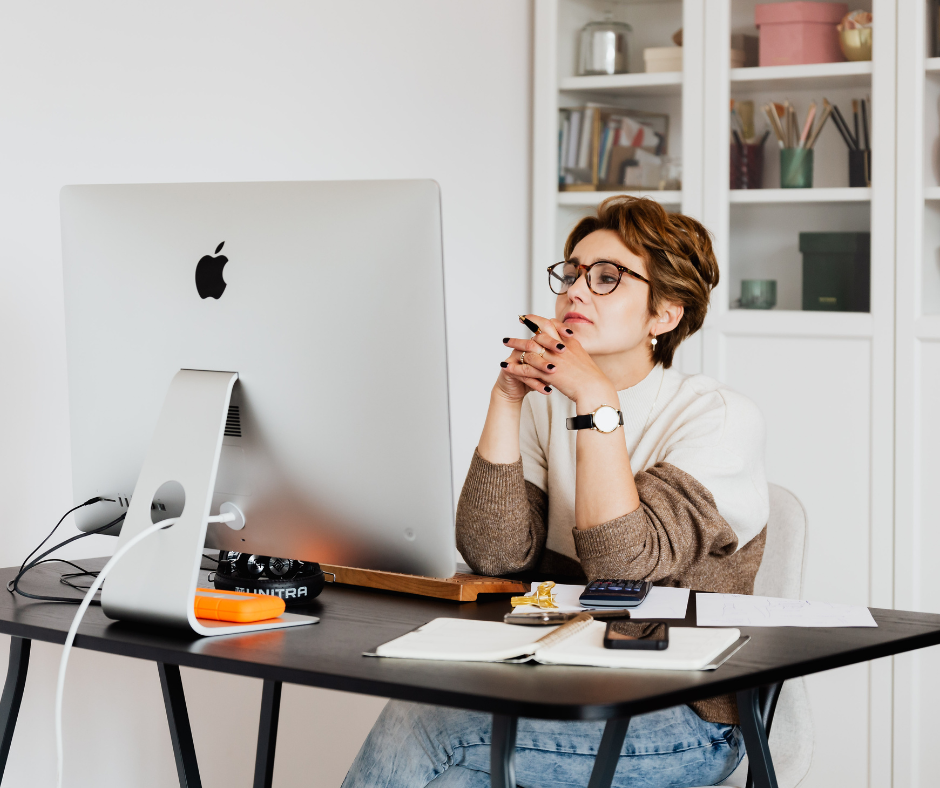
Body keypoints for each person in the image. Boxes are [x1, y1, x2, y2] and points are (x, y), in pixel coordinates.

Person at [342, 196, 769, 788]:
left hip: (685, 716)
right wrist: (507, 399)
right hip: (561, 676)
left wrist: (597, 404)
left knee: (431, 724)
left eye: (607, 278)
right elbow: (495, 555)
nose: (575, 291)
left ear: (664, 315)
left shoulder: (718, 418)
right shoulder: (546, 406)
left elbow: (622, 568)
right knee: (453, 773)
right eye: (571, 273)